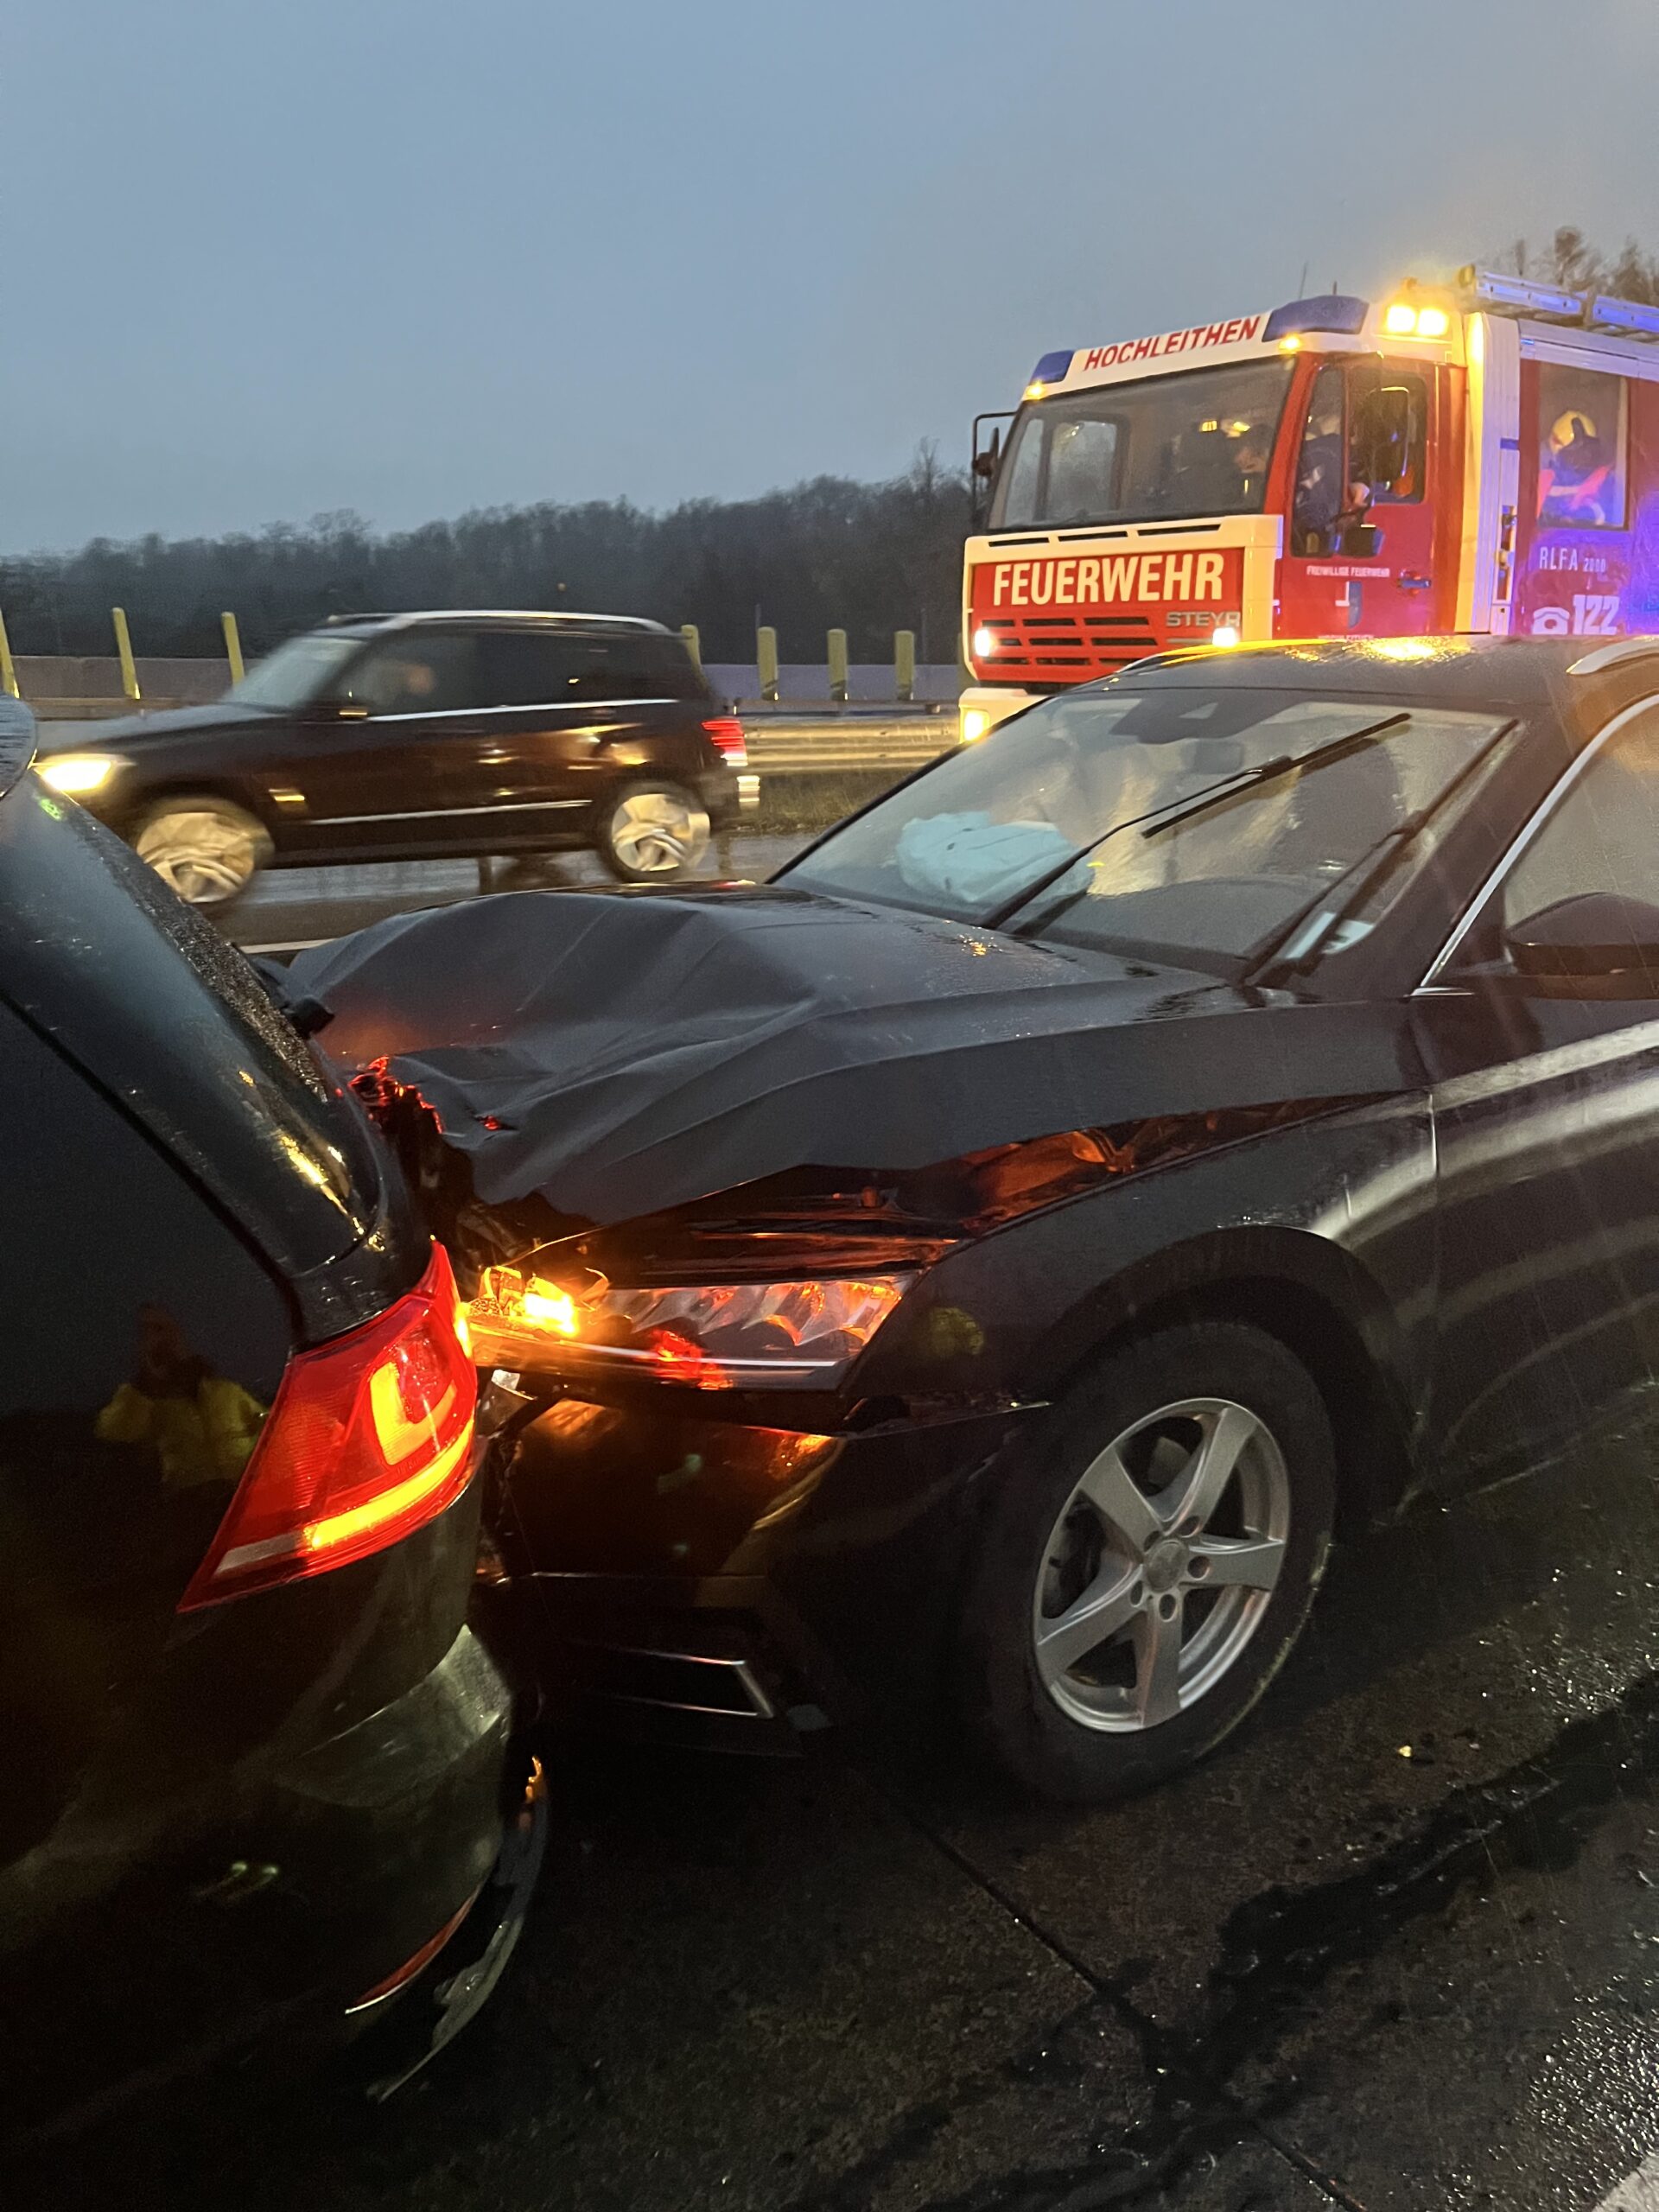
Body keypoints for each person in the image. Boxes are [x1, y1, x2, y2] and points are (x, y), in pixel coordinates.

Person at [1539, 408, 1614, 525]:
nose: (1582, 457)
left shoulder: (1594, 473)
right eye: (1573, 452)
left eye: (1585, 450)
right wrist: (1578, 490)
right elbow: (1543, 490)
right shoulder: (1543, 463)